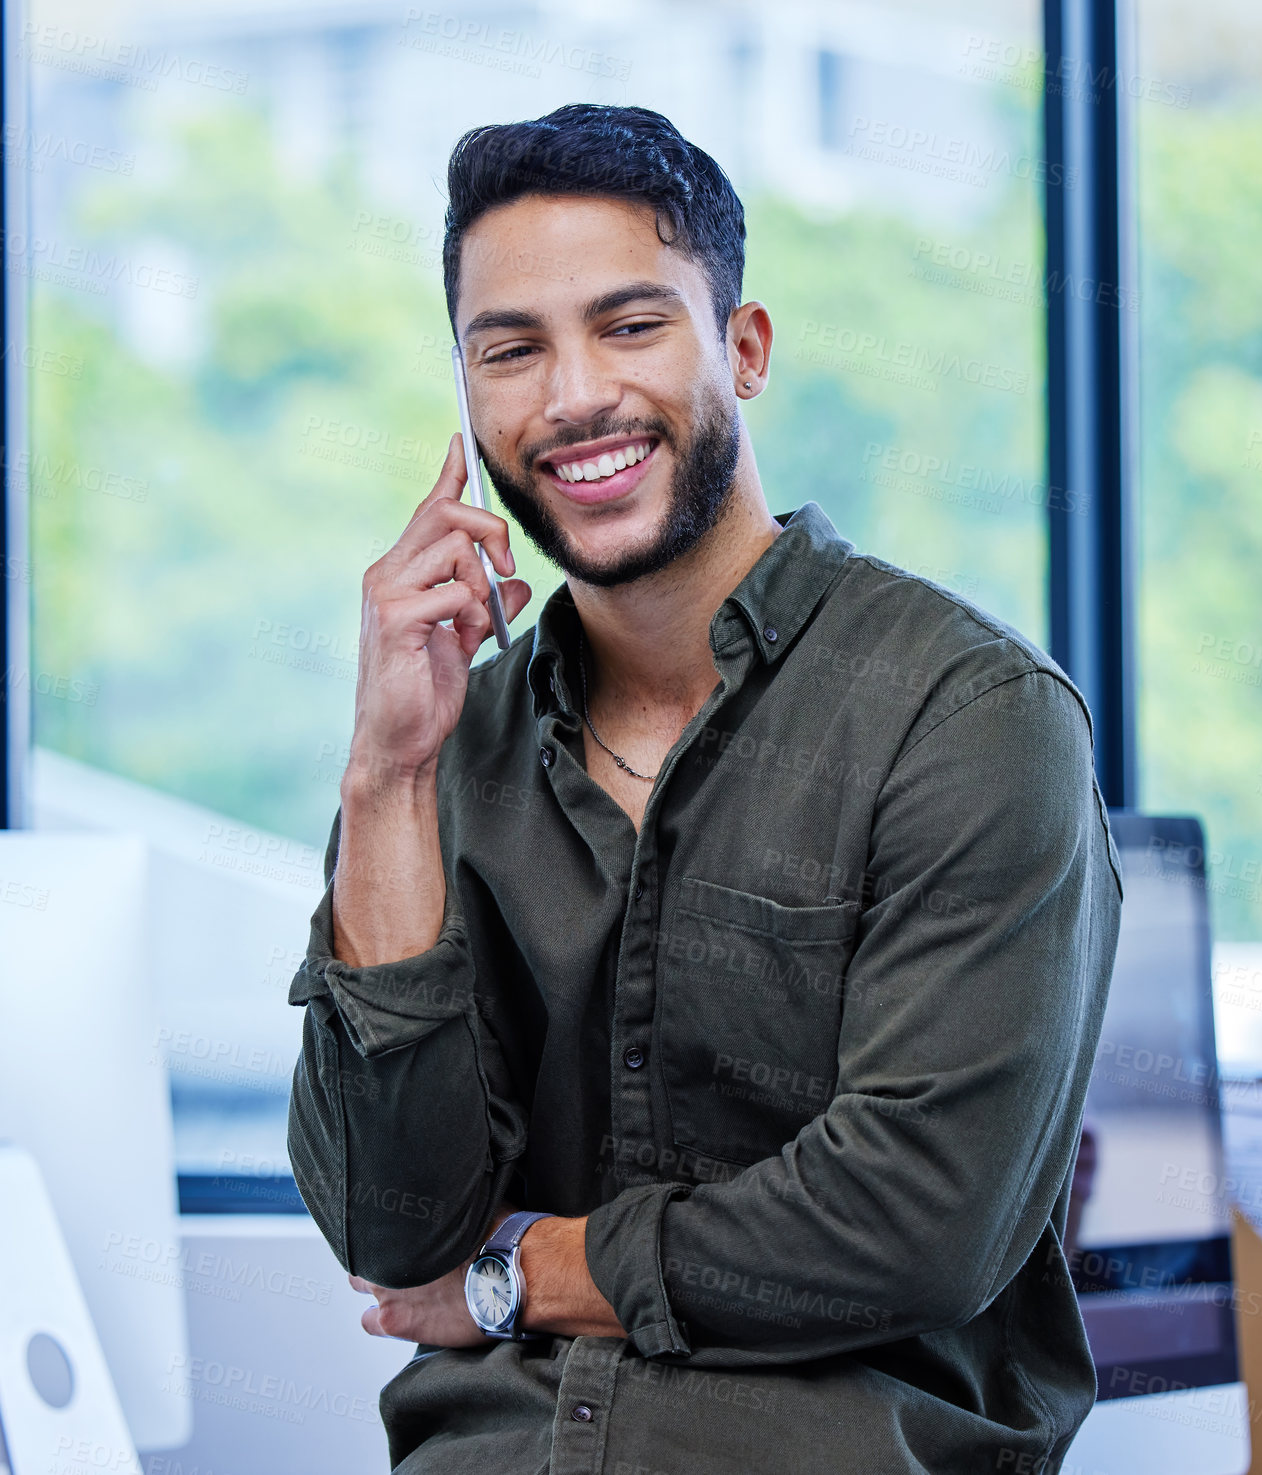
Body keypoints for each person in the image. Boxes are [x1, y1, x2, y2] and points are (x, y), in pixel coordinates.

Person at [286, 102, 1123, 1475]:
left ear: (742, 349)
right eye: (510, 349)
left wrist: (522, 1275)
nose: (570, 399)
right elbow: (391, 1229)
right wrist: (384, 776)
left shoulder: (965, 721)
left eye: (629, 326)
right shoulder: (445, 742)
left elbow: (915, 1223)